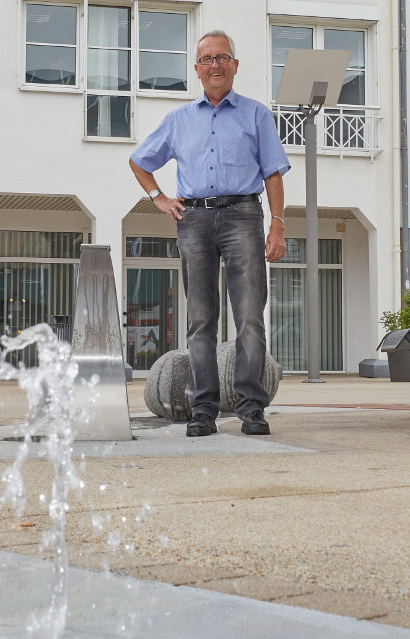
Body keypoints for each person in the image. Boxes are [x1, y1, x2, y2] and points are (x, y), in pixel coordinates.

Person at [129, 30, 289, 437]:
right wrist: (159, 198)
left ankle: (252, 407)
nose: (215, 65)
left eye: (223, 58)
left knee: (250, 317)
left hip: (243, 215)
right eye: (207, 59)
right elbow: (140, 161)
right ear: (197, 69)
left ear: (235, 65)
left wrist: (277, 222)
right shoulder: (178, 120)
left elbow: (272, 171)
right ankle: (204, 409)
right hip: (194, 220)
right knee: (201, 320)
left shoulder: (255, 114)